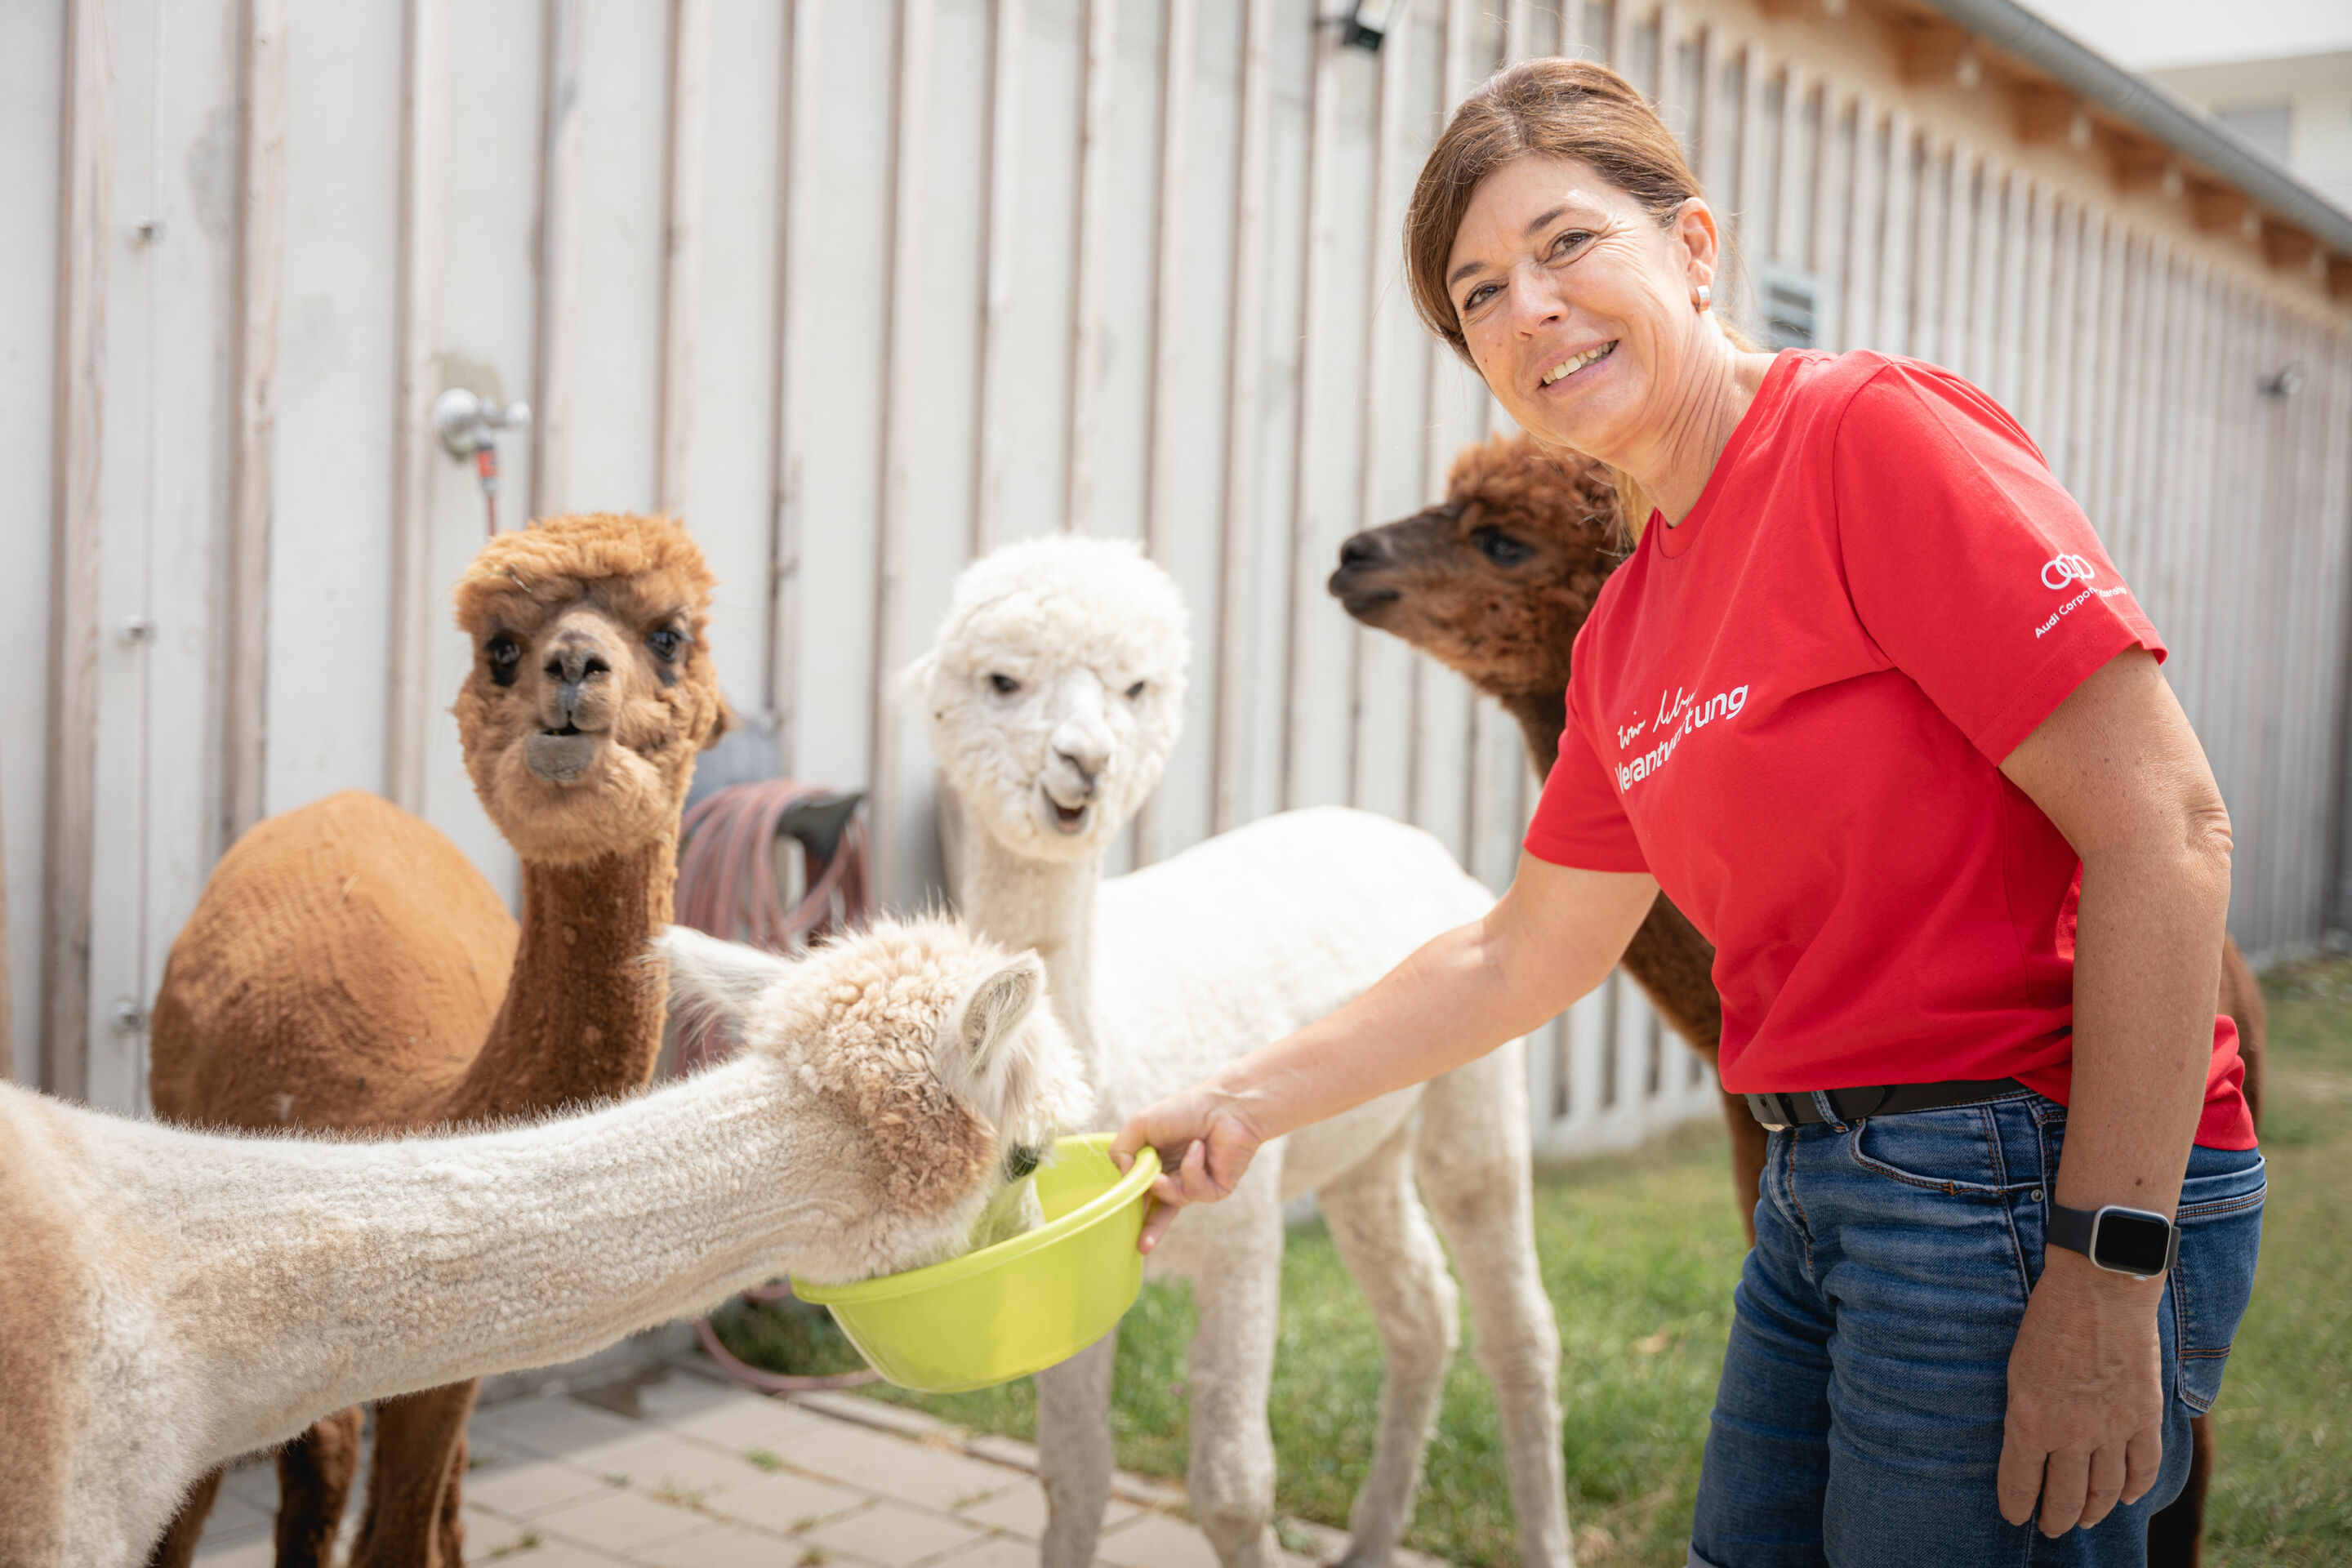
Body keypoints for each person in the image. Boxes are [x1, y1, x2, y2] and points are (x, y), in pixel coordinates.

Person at [1107, 58, 2262, 1568]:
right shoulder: (1626, 630)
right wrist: (1243, 1103)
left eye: (1567, 244)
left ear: (1694, 246)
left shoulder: (1865, 439)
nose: (1530, 310)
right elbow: (1520, 953)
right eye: (1479, 295)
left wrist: (2107, 1268)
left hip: (2015, 1166)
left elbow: (2168, 830)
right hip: (1816, 1181)